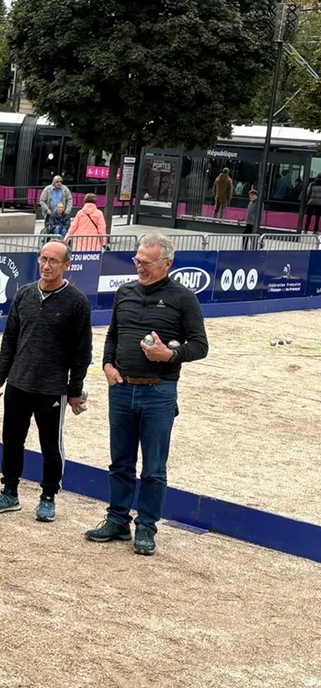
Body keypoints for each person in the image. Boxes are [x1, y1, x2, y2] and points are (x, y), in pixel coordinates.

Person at [86, 235, 209, 556]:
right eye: (137, 261)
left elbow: (200, 345)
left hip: (159, 392)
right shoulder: (125, 292)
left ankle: (146, 526)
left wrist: (169, 356)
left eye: (146, 263)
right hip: (121, 388)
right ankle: (117, 520)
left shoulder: (183, 299)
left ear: (167, 264)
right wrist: (107, 365)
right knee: (120, 462)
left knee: (154, 468)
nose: (139, 267)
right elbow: (113, 334)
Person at [0, 240, 93, 522]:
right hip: (18, 383)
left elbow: (83, 352)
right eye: (43, 259)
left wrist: (75, 390)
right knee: (12, 440)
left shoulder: (77, 302)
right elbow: (10, 340)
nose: (46, 265)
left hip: (52, 388)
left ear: (66, 265)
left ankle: (48, 497)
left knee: (50, 446)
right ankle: (9, 492)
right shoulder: (24, 294)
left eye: (54, 261)